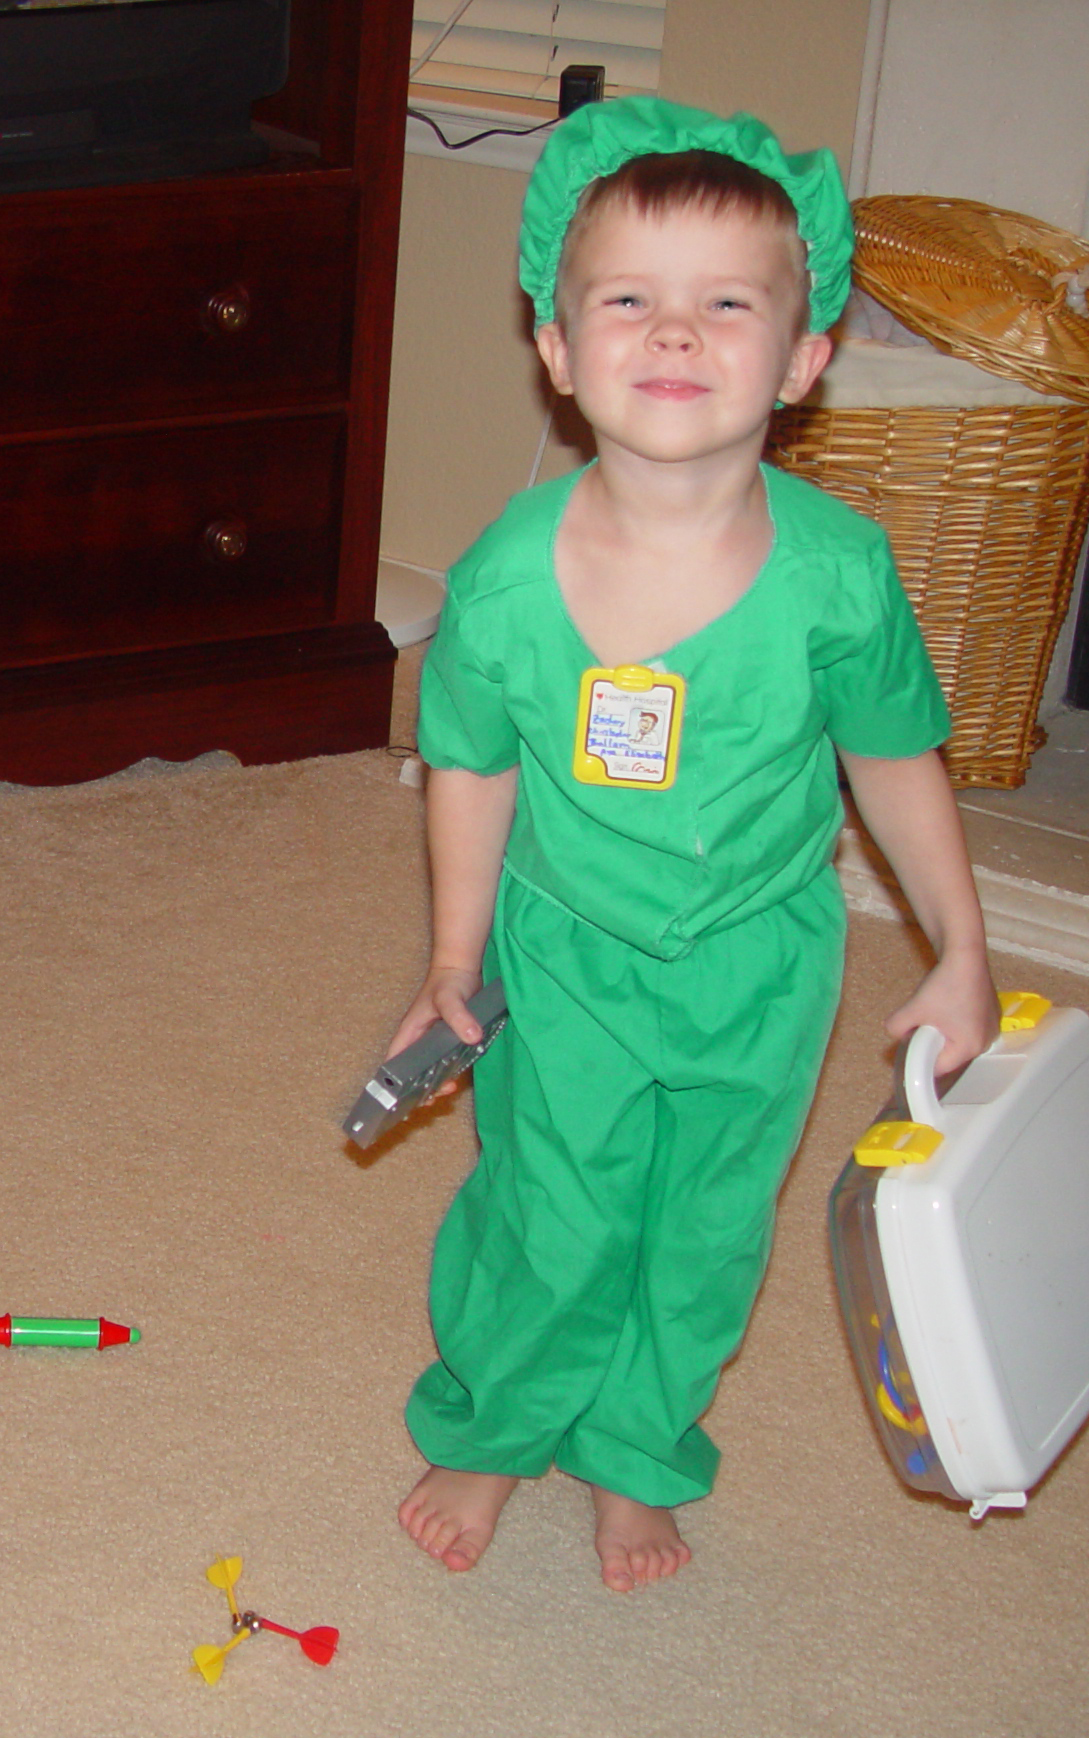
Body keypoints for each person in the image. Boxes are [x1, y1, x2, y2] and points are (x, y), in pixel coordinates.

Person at [384, 99, 997, 1593]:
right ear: (557, 348)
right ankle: (495, 1421)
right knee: (553, 1204)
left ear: (801, 362)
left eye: (727, 303)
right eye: (629, 300)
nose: (675, 332)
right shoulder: (504, 584)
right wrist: (455, 958)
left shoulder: (841, 575)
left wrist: (963, 950)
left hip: (763, 961)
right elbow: (463, 769)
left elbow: (894, 762)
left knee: (708, 1225)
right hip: (566, 950)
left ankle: (638, 1448)